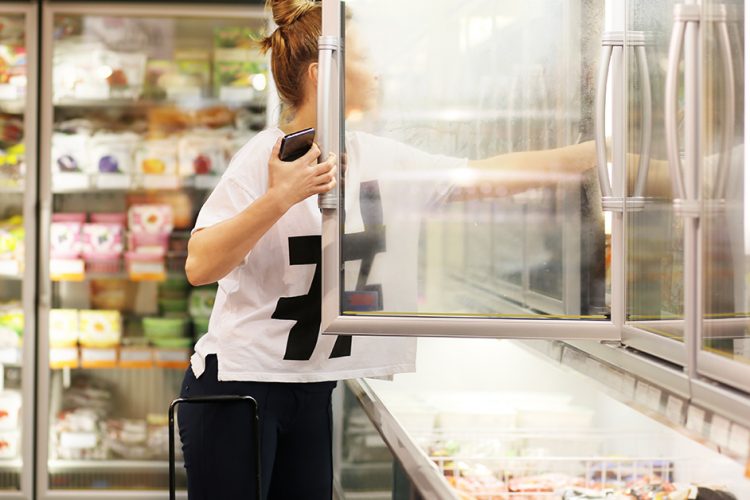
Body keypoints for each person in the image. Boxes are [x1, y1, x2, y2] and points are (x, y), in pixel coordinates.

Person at [177, 0, 599, 498]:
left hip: (312, 388)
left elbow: (482, 179)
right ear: (324, 72)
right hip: (237, 388)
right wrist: (280, 196)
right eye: (363, 58)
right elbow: (201, 265)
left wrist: (598, 155)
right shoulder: (262, 158)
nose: (376, 72)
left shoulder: (379, 158)